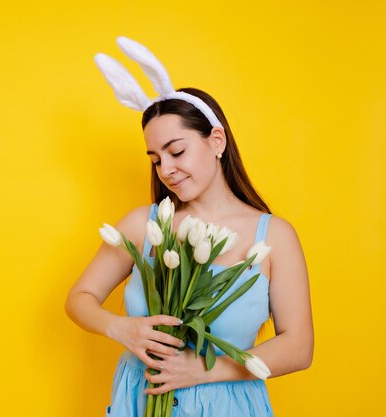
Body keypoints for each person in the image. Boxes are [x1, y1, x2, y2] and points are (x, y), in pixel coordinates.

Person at [64, 37, 314, 417]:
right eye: (155, 159)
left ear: (216, 140)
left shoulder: (275, 236)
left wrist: (203, 370)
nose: (166, 170)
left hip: (227, 405)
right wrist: (121, 328)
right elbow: (79, 298)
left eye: (176, 151)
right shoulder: (144, 225)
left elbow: (298, 347)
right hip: (139, 400)